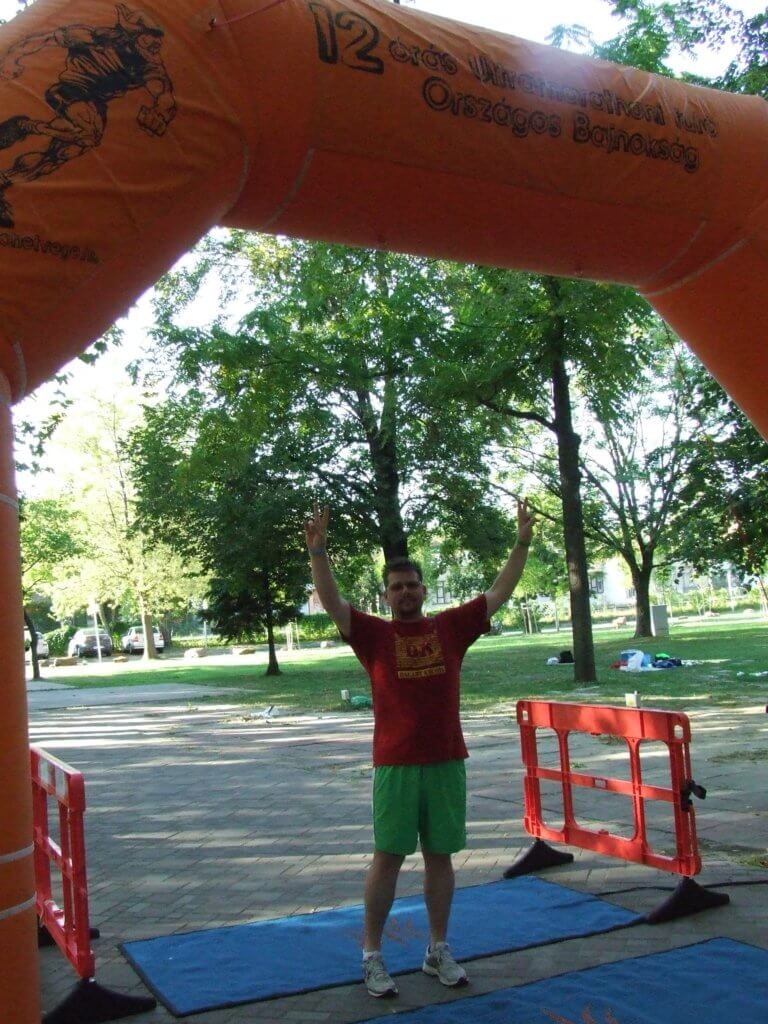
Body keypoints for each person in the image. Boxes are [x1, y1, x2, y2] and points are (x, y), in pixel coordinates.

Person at [304, 499, 535, 998]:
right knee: (387, 858)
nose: (405, 592)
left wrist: (520, 543)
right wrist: (318, 554)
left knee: (440, 857)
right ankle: (372, 955)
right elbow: (334, 602)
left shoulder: (450, 627)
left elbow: (499, 590)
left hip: (447, 760)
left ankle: (437, 949)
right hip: (396, 765)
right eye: (396, 587)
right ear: (386, 595)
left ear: (424, 590)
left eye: (412, 584)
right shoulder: (373, 635)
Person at [0, 4, 176, 228]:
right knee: (89, 133)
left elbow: (163, 93)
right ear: (132, 33)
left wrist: (160, 114)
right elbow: (45, 39)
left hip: (94, 103)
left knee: (58, 155)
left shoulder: (148, 65)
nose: (156, 45)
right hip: (71, 90)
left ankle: (7, 177)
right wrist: (13, 60)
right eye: (150, 37)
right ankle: (27, 126)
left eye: (157, 40)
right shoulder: (94, 37)